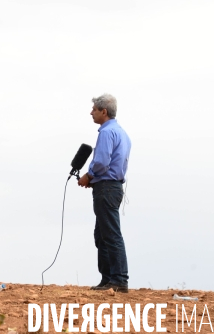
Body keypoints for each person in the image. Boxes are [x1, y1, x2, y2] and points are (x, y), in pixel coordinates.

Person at [78, 94, 131, 293]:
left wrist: (89, 176)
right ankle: (109, 279)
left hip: (106, 187)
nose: (91, 112)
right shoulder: (123, 133)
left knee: (110, 234)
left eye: (94, 109)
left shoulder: (107, 133)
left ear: (104, 111)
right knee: (102, 234)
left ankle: (118, 279)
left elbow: (101, 162)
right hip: (114, 187)